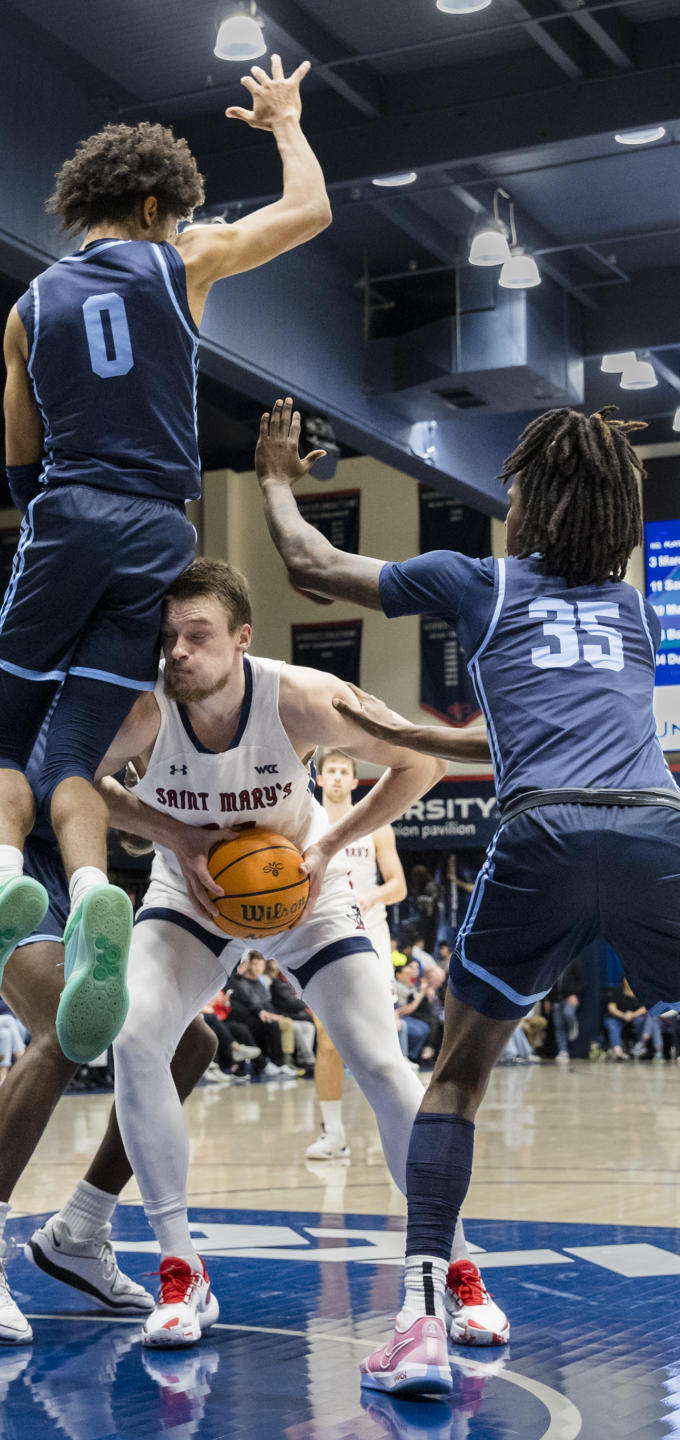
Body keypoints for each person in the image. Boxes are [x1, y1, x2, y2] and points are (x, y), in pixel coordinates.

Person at [255, 396, 680, 1396]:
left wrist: (274, 478)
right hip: (656, 827)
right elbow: (560, 735)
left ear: (535, 504)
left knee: (452, 1080)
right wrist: (426, 742)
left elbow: (315, 565)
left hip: (542, 835)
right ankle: (649, 983)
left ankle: (420, 1321)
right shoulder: (634, 613)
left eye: (519, 488)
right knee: (645, 974)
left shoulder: (479, 582)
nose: (512, 503)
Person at [0, 55, 332, 1070]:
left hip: (67, 515)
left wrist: (56, 540)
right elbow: (310, 211)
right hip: (161, 529)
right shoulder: (184, 259)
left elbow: (20, 458)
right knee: (74, 756)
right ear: (158, 206)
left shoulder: (27, 310)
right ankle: (95, 893)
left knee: (0, 751)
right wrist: (284, 121)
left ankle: (5, 874)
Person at [90, 557, 506, 1350]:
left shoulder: (303, 698)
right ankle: (181, 1269)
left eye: (197, 636)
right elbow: (72, 781)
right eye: (168, 636)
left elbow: (425, 761)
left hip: (305, 892)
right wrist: (172, 836)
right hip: (193, 895)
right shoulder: (144, 712)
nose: (177, 651)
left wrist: (329, 848)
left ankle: (454, 1264)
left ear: (242, 640)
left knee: (384, 1066)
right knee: (136, 1035)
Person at [0, 761, 217, 1345]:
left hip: (74, 873)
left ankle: (80, 1230)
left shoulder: (160, 708)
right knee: (63, 1030)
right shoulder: (87, 685)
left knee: (191, 1042)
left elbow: (131, 830)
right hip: (10, 852)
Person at [307, 748, 407, 1161]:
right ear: (319, 778)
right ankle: (333, 1133)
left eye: (343, 771)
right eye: (329, 769)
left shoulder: (376, 826)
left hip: (371, 937)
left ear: (353, 781)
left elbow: (399, 886)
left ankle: (400, 1128)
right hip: (323, 935)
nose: (335, 777)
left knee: (383, 1040)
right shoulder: (303, 826)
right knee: (326, 1040)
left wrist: (375, 894)